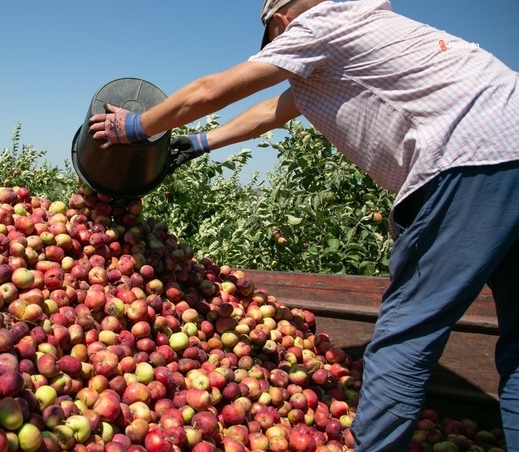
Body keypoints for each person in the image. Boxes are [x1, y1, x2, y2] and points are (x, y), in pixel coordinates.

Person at [88, 0, 519, 450]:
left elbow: (209, 90)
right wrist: (199, 142)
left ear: (281, 23)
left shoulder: (321, 23)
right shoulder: (367, 31)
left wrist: (136, 126)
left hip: (474, 159)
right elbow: (270, 113)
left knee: (406, 337)